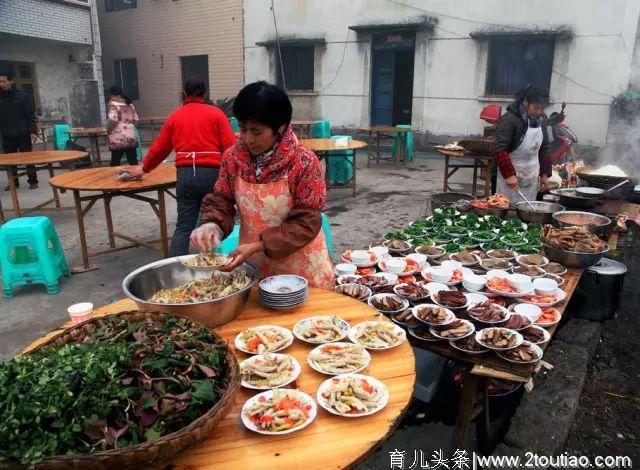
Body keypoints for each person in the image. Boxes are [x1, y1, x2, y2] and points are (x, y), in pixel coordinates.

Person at [190, 81, 334, 289]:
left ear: (280, 126)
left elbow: (306, 222)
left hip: (302, 267)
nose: (248, 138)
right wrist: (212, 225)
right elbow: (221, 200)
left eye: (256, 132)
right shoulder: (232, 159)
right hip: (254, 265)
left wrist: (259, 245)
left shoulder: (303, 161)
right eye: (243, 129)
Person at [129, 78, 236, 256]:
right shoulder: (217, 114)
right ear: (205, 94)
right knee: (212, 223)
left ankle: (174, 268)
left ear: (185, 93)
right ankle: (212, 266)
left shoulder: (175, 116)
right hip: (212, 174)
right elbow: (231, 148)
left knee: (184, 226)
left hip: (185, 175)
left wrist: (144, 168)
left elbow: (159, 149)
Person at [493, 85, 552, 202]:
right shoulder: (509, 119)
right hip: (510, 178)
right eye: (536, 107)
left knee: (528, 211)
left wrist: (544, 174)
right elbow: (499, 149)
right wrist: (510, 175)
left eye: (542, 108)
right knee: (506, 209)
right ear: (525, 102)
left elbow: (545, 148)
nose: (539, 112)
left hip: (532, 176)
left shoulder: (542, 120)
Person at [0, 71, 38, 189]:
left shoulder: (22, 96)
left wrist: (32, 131)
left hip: (23, 132)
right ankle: (13, 182)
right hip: (6, 134)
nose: (1, 84)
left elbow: (30, 115)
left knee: (28, 158)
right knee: (10, 161)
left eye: (4, 81)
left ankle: (33, 181)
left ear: (11, 81)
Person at [106, 85, 139, 166]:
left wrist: (107, 129)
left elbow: (113, 120)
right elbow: (136, 119)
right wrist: (129, 128)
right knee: (133, 161)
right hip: (130, 137)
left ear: (111, 94)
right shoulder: (129, 104)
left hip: (117, 138)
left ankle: (115, 178)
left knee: (115, 162)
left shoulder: (113, 104)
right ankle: (135, 176)